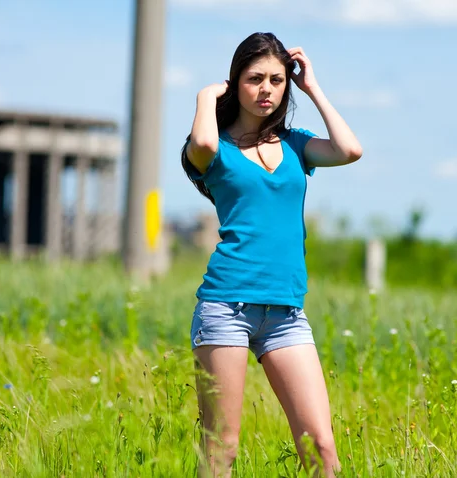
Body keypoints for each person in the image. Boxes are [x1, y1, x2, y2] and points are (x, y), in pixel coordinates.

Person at [181, 32, 362, 477]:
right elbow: (201, 145)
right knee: (221, 448)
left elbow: (349, 149)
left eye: (277, 80)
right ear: (235, 83)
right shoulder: (215, 147)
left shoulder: (297, 145)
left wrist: (313, 88)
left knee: (321, 447)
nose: (267, 89)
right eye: (255, 78)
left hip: (286, 313)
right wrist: (206, 96)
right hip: (226, 307)